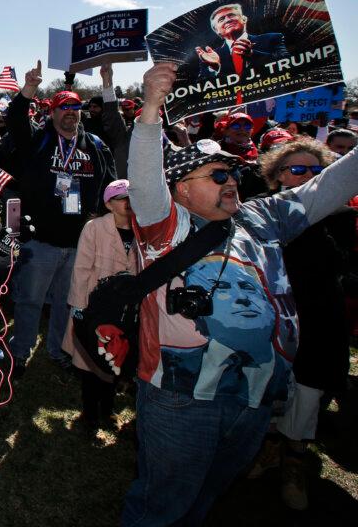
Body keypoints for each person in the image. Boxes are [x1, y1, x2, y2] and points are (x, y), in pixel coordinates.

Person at [118, 62, 358, 526]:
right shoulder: (165, 227)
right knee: (161, 504)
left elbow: (333, 184)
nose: (230, 181)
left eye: (231, 175)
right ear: (182, 190)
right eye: (215, 176)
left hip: (256, 394)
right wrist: (150, 109)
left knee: (209, 493)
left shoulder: (263, 218)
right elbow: (146, 179)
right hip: (180, 395)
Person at [244, 139, 354, 510]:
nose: (308, 177)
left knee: (307, 394)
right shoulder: (258, 215)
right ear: (276, 177)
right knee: (268, 390)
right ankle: (267, 448)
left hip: (320, 322)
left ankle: (294, 463)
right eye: (298, 169)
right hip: (273, 321)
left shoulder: (341, 219)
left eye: (316, 171)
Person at [5, 62, 115, 377]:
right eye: (63, 106)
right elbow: (15, 121)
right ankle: (20, 351)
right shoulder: (39, 140)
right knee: (29, 301)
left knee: (66, 304)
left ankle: (57, 350)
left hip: (78, 242)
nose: (71, 111)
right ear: (53, 112)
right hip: (40, 241)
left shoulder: (93, 145)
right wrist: (29, 89)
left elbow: (109, 184)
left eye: (75, 107)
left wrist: (99, 214)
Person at [62, 179, 139, 435]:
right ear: (109, 203)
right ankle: (89, 414)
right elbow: (82, 268)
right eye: (121, 198)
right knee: (91, 364)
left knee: (115, 362)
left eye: (131, 197)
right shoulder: (94, 228)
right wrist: (79, 306)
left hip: (125, 312)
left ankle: (108, 409)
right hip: (95, 308)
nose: (127, 203)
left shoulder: (143, 229)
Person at [187, 3, 289, 82]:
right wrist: (215, 68)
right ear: (217, 30)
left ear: (244, 19)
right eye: (221, 19)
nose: (227, 20)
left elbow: (290, 63)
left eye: (231, 15)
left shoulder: (272, 38)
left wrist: (253, 54)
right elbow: (199, 89)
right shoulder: (209, 57)